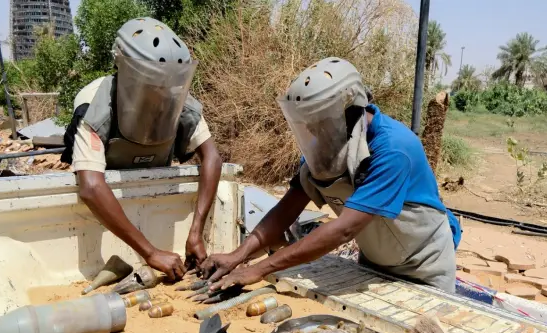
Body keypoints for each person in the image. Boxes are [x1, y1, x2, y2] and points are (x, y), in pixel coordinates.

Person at [200, 57, 461, 293]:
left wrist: (260, 268)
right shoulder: (325, 149)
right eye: (308, 124)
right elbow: (286, 209)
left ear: (348, 107)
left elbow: (344, 229)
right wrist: (238, 255)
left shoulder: (393, 149)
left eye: (320, 122)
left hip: (425, 268)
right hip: (375, 265)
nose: (313, 132)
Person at [62, 17, 222, 281]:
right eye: (153, 82)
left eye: (166, 83)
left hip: (153, 202)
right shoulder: (93, 106)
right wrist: (150, 253)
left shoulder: (182, 103)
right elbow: (90, 187)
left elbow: (212, 158)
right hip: (108, 215)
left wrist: (196, 231)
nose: (160, 92)